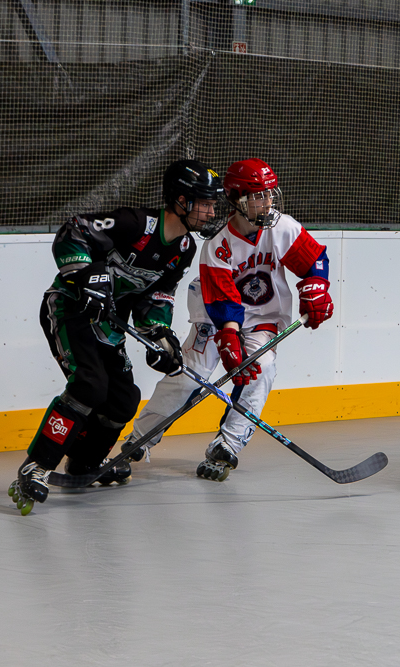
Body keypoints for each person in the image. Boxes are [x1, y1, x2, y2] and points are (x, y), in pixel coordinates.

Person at [8, 160, 224, 513]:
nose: (212, 211)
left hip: (108, 326)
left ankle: (84, 463)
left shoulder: (183, 249)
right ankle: (37, 466)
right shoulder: (135, 223)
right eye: (206, 202)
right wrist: (86, 271)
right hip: (70, 310)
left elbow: (158, 296)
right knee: (89, 385)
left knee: (123, 399)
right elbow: (74, 230)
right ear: (181, 201)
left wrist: (160, 336)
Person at [122, 158, 333, 482]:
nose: (267, 202)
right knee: (189, 378)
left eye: (269, 194)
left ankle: (228, 445)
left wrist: (317, 287)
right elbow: (222, 301)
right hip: (215, 317)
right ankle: (139, 439)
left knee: (260, 372)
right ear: (237, 200)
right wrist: (229, 340)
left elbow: (314, 259)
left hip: (263, 317)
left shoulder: (282, 228)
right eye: (258, 197)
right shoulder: (218, 245)